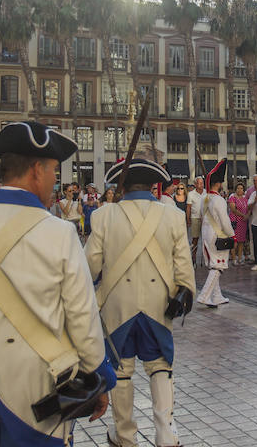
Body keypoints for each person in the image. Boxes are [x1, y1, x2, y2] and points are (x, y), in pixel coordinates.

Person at [0, 121, 115, 446]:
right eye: (55, 171)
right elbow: (84, 320)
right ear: (37, 171)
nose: (56, 182)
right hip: (33, 383)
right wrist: (99, 376)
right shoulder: (59, 233)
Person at [86, 158, 195, 447]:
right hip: (158, 305)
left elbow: (91, 267)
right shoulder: (172, 215)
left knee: (121, 371)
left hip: (117, 305)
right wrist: (184, 293)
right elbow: (184, 265)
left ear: (121, 185)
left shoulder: (103, 216)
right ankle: (166, 435)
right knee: (161, 365)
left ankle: (124, 437)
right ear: (153, 185)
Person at [197, 159, 233, 307]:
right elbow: (225, 221)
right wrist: (232, 234)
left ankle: (217, 296)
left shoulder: (204, 199)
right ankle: (204, 296)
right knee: (218, 266)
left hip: (206, 234)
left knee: (214, 265)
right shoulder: (218, 199)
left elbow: (200, 216)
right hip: (217, 234)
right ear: (218, 183)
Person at [228, 182, 249, 265]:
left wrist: (247, 215)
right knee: (234, 241)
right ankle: (234, 259)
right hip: (235, 221)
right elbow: (233, 209)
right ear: (235, 189)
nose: (240, 190)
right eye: (238, 188)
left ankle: (240, 258)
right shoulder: (232, 198)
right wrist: (243, 215)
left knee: (241, 241)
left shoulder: (245, 199)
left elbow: (248, 209)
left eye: (241, 188)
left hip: (243, 222)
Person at [186, 177, 205, 266]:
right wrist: (188, 219)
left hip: (205, 219)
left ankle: (205, 259)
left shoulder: (206, 192)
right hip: (195, 218)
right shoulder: (191, 194)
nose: (201, 185)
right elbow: (188, 207)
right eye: (199, 183)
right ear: (195, 184)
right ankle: (193, 258)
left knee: (206, 239)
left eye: (202, 183)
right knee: (195, 239)